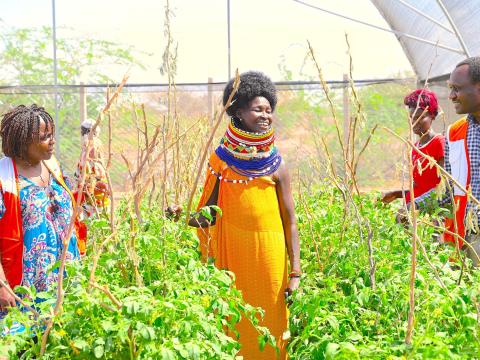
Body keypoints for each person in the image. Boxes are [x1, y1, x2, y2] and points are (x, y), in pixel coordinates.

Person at [168, 71, 300, 359]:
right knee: (236, 321)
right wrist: (182, 215)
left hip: (270, 258)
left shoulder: (277, 164)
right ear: (238, 111)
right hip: (234, 258)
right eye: (257, 109)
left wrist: (296, 272)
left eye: (268, 110)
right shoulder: (221, 160)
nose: (265, 115)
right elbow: (209, 215)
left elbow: (290, 220)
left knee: (271, 325)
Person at [0, 104, 80, 317]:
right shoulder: (4, 178)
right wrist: (1, 285)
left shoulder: (53, 167)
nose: (52, 141)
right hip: (26, 286)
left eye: (51, 135)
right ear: (24, 141)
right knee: (25, 344)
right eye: (45, 137)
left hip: (66, 277)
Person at [382, 89, 445, 221]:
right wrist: (397, 194)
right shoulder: (415, 147)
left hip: (432, 216)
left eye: (419, 117)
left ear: (432, 116)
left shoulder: (440, 143)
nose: (414, 122)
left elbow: (445, 188)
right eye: (411, 118)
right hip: (414, 214)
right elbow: (419, 187)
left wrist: (416, 206)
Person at [441, 57, 480, 265]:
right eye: (450, 88)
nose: (451, 96)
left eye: (457, 89)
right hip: (466, 236)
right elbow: (447, 190)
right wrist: (415, 205)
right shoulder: (454, 133)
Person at [74, 118, 109, 255]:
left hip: (94, 195)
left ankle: (95, 251)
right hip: (89, 195)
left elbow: (93, 174)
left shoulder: (92, 146)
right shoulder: (88, 148)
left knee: (95, 223)